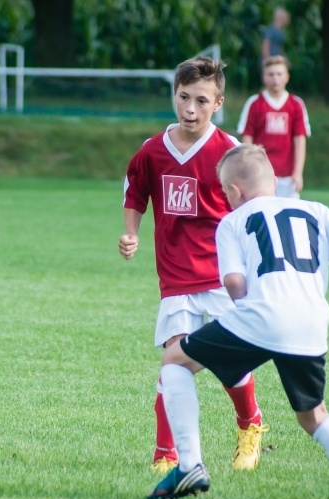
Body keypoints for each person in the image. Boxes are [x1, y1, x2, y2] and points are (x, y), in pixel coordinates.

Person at [147, 143, 329, 499]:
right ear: (274, 180)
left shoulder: (233, 220)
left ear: (233, 191)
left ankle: (189, 465)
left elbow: (233, 283)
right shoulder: (316, 211)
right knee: (314, 417)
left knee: (174, 361)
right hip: (310, 322)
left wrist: (247, 325)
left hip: (261, 316)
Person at [119, 57, 267, 475]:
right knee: (173, 359)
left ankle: (250, 424)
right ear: (174, 94)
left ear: (218, 102)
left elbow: (253, 209)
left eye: (201, 101)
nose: (190, 108)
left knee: (229, 362)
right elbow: (135, 193)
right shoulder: (151, 151)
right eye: (183, 97)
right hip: (176, 276)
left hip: (224, 276)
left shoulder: (230, 153)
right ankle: (165, 454)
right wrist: (130, 233)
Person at [236, 55, 310, 199]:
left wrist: (298, 172)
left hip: (287, 177)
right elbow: (247, 138)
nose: (275, 78)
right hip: (260, 175)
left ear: (287, 77)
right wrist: (250, 168)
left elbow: (300, 140)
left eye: (279, 74)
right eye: (271, 74)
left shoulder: (296, 104)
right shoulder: (254, 103)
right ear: (264, 77)